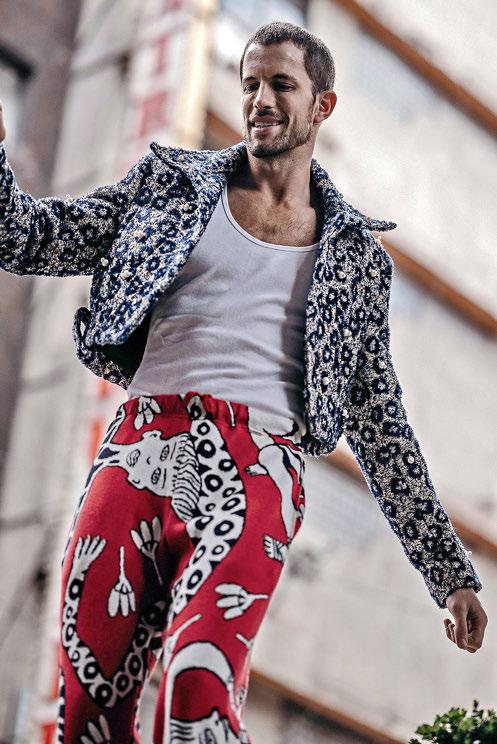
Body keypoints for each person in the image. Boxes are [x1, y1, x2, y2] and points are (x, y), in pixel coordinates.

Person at [0, 19, 487, 744]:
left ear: (322, 105)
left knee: (197, 686)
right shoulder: (167, 187)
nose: (260, 99)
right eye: (250, 83)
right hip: (137, 450)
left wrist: (449, 571)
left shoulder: (355, 260)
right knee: (86, 711)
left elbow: (381, 428)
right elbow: (28, 239)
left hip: (256, 466)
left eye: (281, 85)